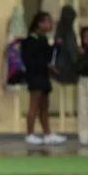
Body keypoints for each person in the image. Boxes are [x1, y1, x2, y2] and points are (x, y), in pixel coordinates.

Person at [23, 12, 66, 145]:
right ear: (40, 23)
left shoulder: (43, 38)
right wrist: (43, 65)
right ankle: (30, 134)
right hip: (35, 76)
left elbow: (47, 55)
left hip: (43, 76)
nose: (50, 25)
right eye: (48, 22)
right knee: (34, 106)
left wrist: (56, 47)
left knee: (44, 106)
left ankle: (47, 133)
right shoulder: (31, 39)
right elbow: (30, 60)